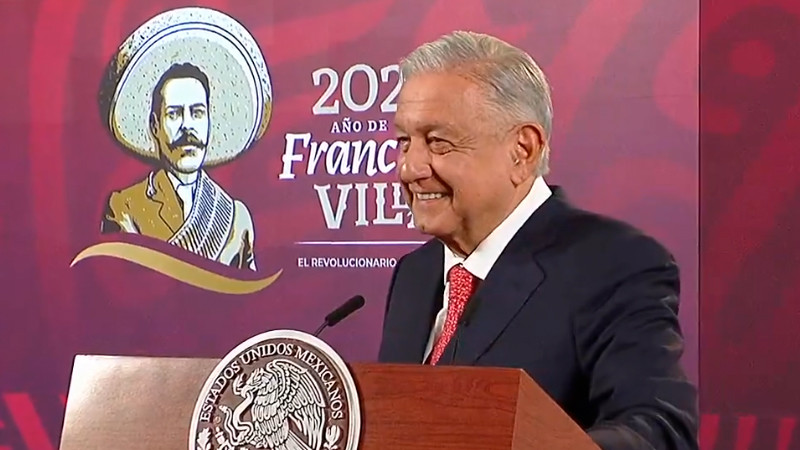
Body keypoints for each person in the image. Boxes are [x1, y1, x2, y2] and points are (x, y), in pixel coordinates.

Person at [377, 31, 698, 449]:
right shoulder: (415, 274)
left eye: (438, 143)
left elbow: (659, 428)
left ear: (523, 150)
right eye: (404, 142)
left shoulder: (613, 265)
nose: (409, 168)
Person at [101, 63, 256, 270]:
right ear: (155, 125)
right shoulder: (125, 208)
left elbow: (250, 289)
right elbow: (123, 284)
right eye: (174, 114)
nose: (187, 126)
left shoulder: (236, 217)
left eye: (197, 113)